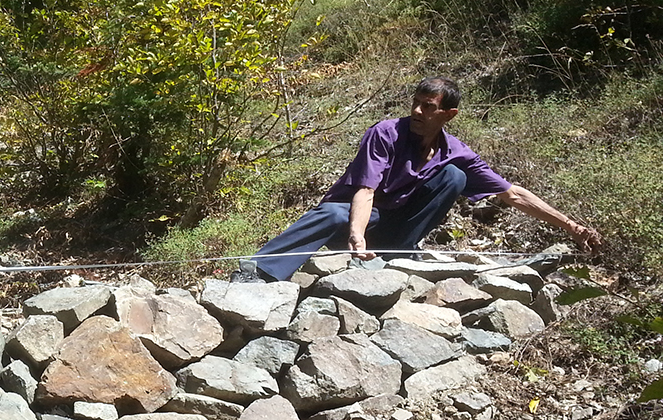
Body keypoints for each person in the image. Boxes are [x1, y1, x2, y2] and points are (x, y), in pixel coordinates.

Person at [239, 76, 601, 282]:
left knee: (454, 178)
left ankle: (401, 250)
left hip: (393, 227)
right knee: (333, 214)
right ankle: (260, 271)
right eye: (416, 102)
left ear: (448, 114)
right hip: (355, 220)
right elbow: (365, 190)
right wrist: (357, 236)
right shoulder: (385, 133)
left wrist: (571, 226)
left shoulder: (455, 151)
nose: (416, 110)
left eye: (427, 106)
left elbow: (513, 194)